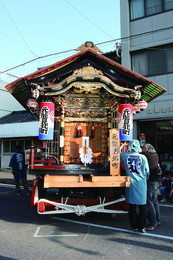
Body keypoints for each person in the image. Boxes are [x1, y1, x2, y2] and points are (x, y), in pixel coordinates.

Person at [120, 140, 150, 233]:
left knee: (132, 206)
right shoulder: (143, 157)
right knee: (142, 206)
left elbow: (116, 153)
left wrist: (121, 146)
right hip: (141, 183)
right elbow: (147, 172)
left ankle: (134, 226)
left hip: (131, 183)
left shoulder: (125, 156)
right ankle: (142, 226)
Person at [142, 143, 161, 231]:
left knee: (149, 202)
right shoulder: (155, 155)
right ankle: (158, 220)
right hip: (156, 181)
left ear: (147, 149)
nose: (143, 149)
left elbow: (139, 153)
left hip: (150, 181)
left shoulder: (147, 155)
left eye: (144, 148)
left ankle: (153, 223)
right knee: (155, 202)